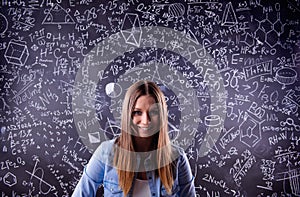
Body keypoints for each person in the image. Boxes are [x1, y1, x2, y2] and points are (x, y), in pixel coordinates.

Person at [72, 80, 196, 197]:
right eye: (137, 112)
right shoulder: (107, 152)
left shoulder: (176, 157)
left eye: (153, 112)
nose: (146, 121)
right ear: (128, 115)